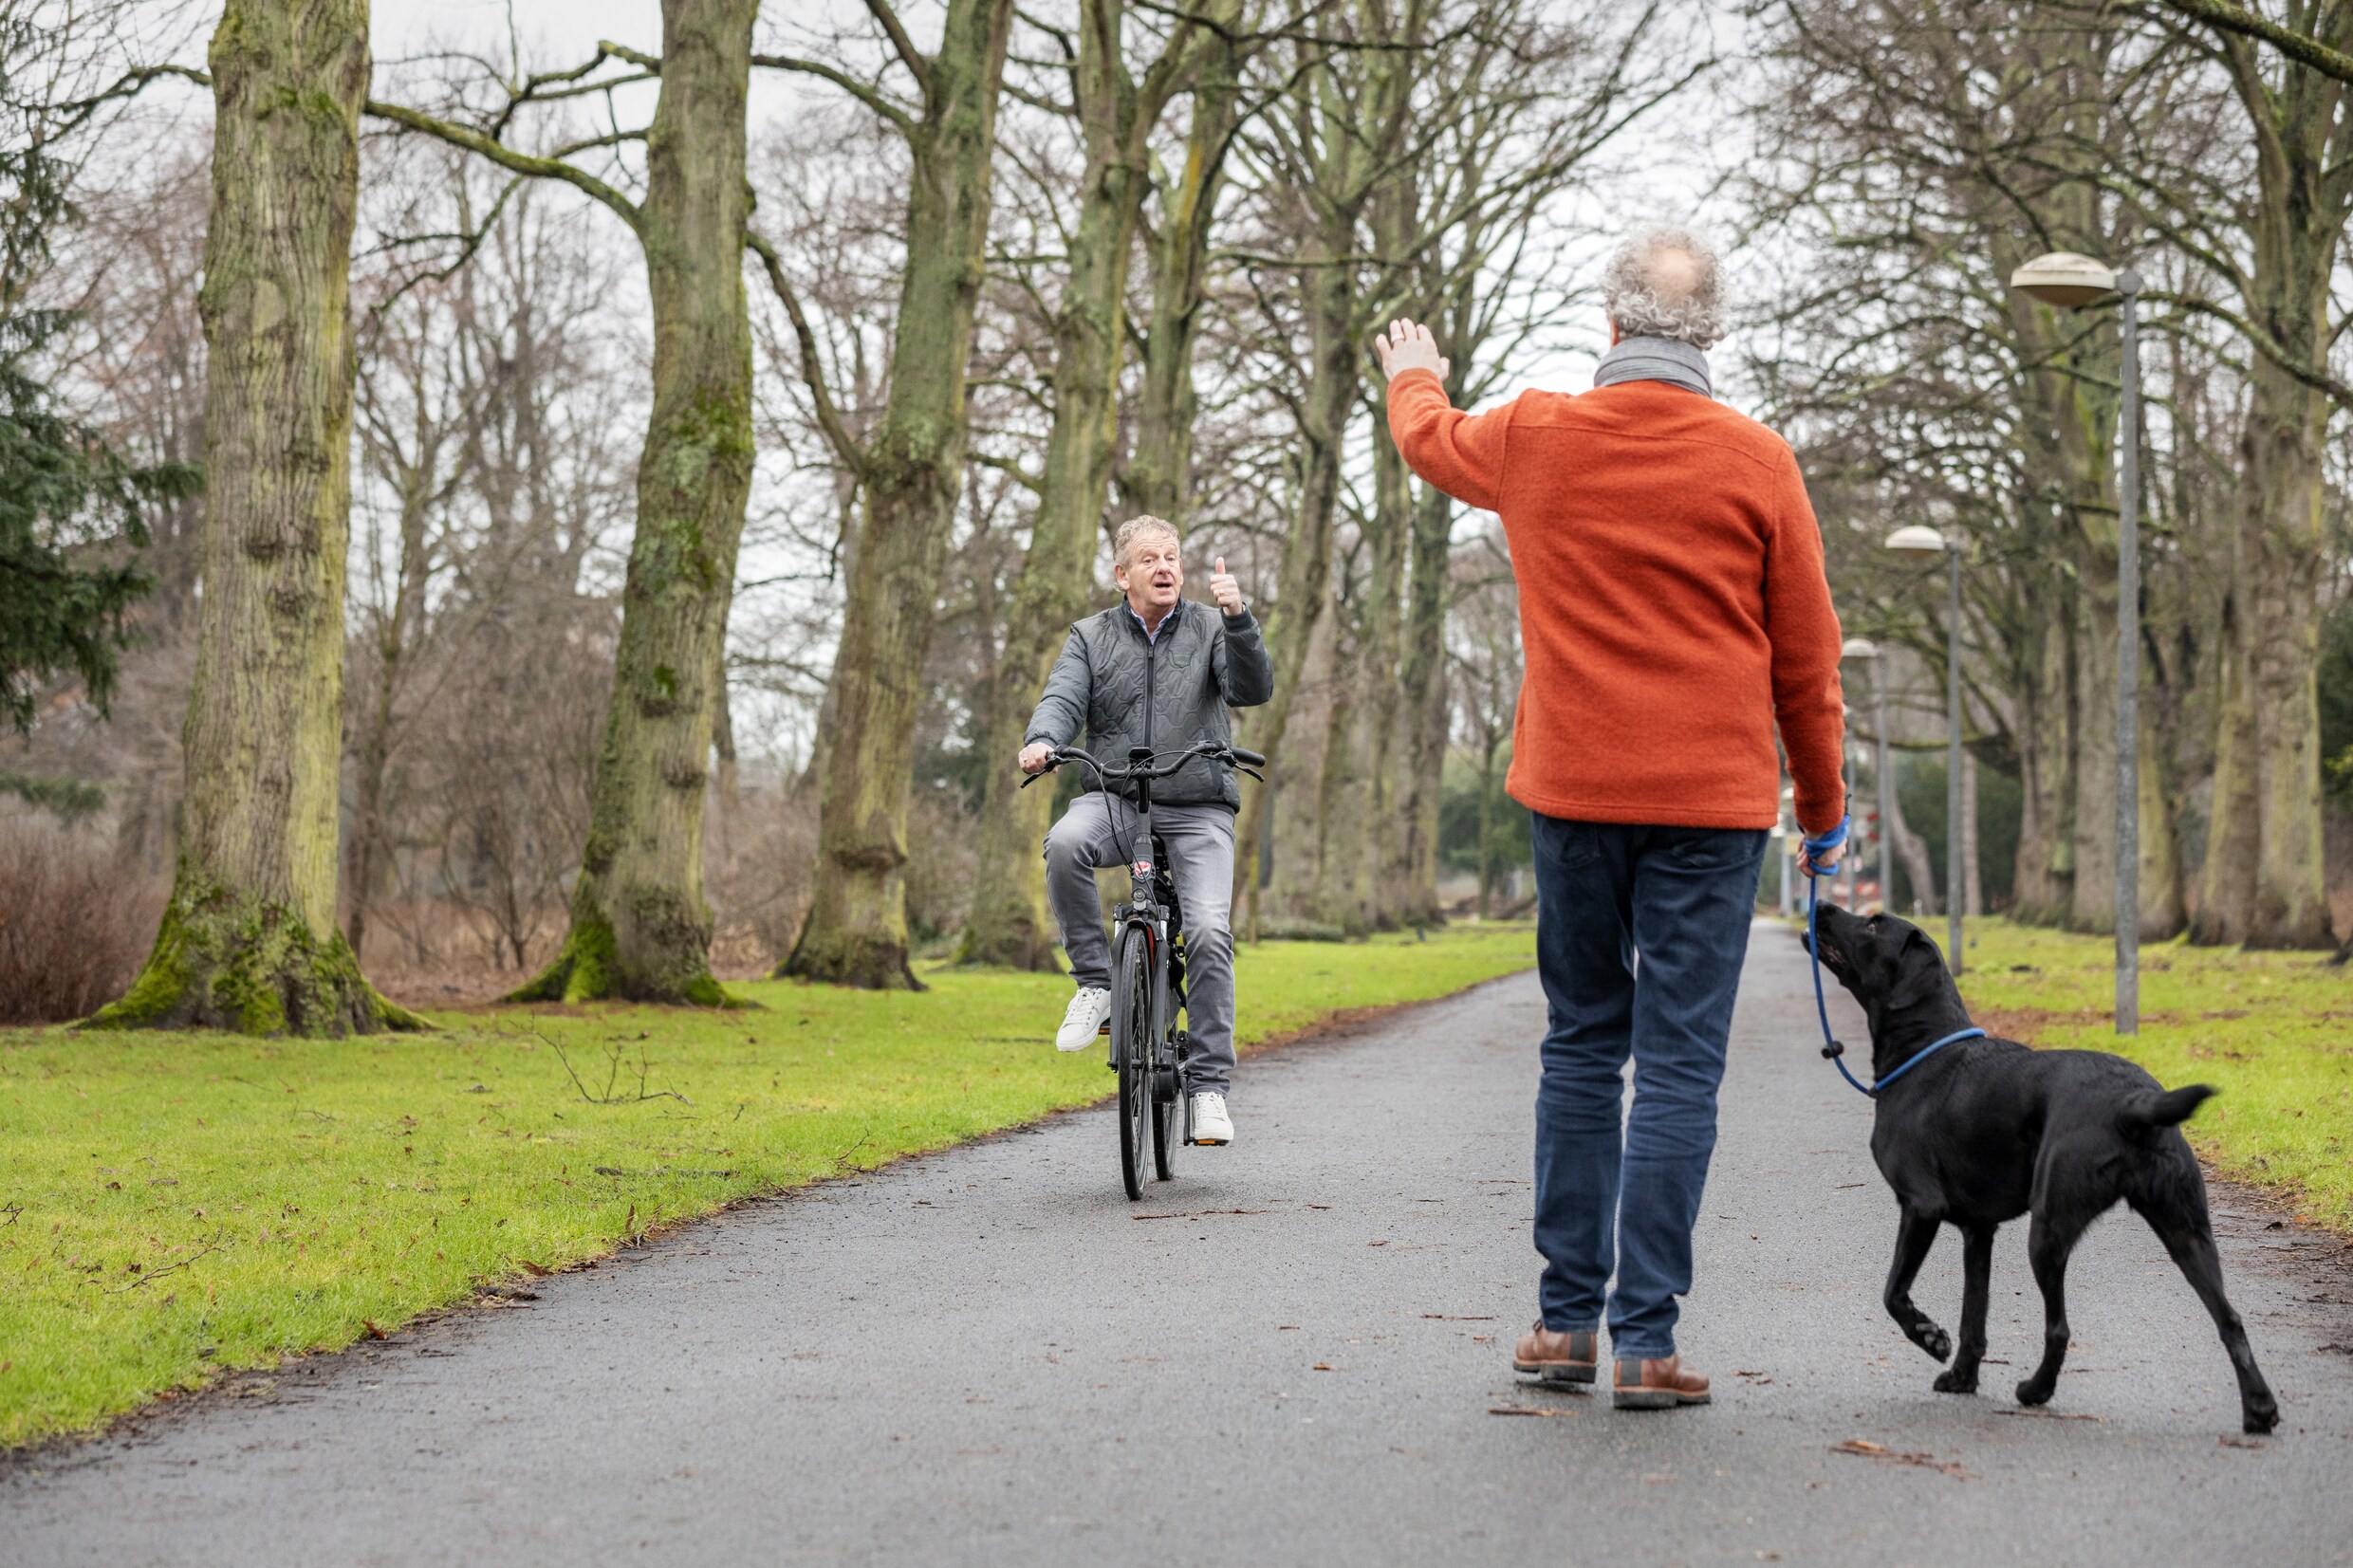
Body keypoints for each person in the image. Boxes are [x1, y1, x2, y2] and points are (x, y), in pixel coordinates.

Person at [1374, 225, 1847, 1410]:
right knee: (1680, 1064)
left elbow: (1429, 443)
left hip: (1575, 794)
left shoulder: (1537, 434)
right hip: (1712, 808)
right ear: (1713, 333)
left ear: (1611, 323)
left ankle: (1561, 1324)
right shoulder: (1757, 463)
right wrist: (1824, 817)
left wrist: (1410, 373)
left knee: (1584, 1044)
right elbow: (1807, 664)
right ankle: (1645, 1342)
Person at [1019, 515, 1274, 1147]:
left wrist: (1239, 617)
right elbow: (1062, 698)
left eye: (1172, 557)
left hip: (1197, 802)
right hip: (1116, 796)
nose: (1165, 567)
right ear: (1121, 574)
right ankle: (1095, 985)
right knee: (1065, 843)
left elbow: (1252, 688)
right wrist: (1044, 740)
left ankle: (1209, 1087)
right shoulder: (1090, 636)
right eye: (1150, 558)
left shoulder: (1212, 626)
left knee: (1211, 930)